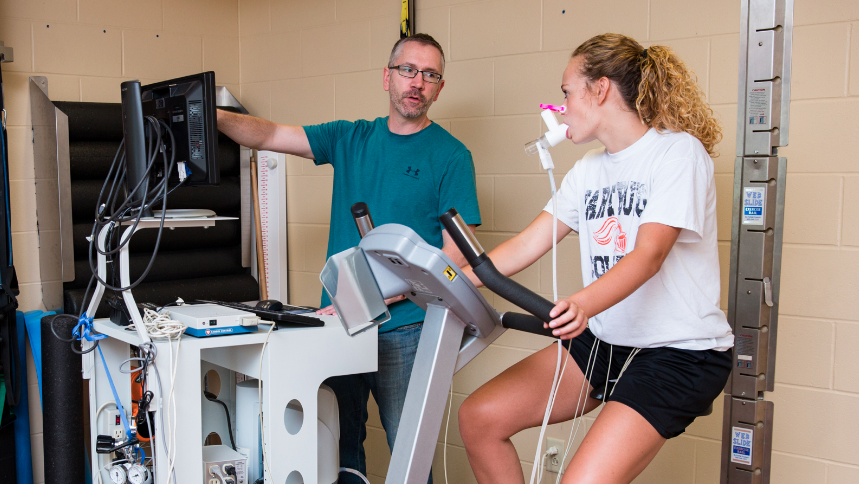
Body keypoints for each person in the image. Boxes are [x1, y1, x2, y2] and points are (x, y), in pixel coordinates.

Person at [457, 33, 733, 484]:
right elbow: (528, 244)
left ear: (600, 89)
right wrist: (452, 278)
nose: (560, 105)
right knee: (479, 418)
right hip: (606, 341)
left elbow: (649, 256)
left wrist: (582, 304)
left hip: (678, 352)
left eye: (566, 92)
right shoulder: (588, 168)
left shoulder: (677, 153)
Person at [217, 33, 480, 483]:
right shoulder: (349, 138)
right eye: (408, 70)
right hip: (340, 323)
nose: (417, 82)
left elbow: (456, 259)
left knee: (408, 452)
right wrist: (208, 116)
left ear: (439, 87)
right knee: (339, 445)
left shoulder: (452, 156)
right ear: (387, 77)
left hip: (407, 331)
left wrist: (385, 294)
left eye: (430, 75)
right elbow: (271, 134)